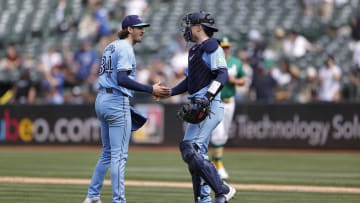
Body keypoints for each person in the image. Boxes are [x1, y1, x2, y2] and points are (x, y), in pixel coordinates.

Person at [82, 15, 170, 203]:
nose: (142, 30)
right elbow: (122, 79)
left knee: (107, 153)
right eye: (139, 27)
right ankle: (118, 200)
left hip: (102, 99)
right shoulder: (125, 48)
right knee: (119, 156)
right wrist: (150, 89)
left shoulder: (110, 46)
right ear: (129, 29)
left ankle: (92, 196)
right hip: (115, 99)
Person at [169, 11, 236, 203]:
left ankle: (222, 188)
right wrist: (171, 92)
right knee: (196, 158)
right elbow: (190, 81)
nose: (187, 29)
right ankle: (206, 199)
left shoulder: (211, 46)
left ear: (199, 27)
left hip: (209, 105)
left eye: (189, 25)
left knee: (188, 148)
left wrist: (207, 97)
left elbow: (222, 75)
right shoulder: (195, 50)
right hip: (198, 105)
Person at [210, 37, 245, 180]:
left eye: (227, 47)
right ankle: (219, 164)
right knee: (218, 133)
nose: (225, 49)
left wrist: (234, 80)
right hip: (217, 101)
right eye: (222, 47)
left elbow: (243, 79)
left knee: (223, 133)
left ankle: (215, 161)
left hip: (230, 101)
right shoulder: (215, 61)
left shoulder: (236, 62)